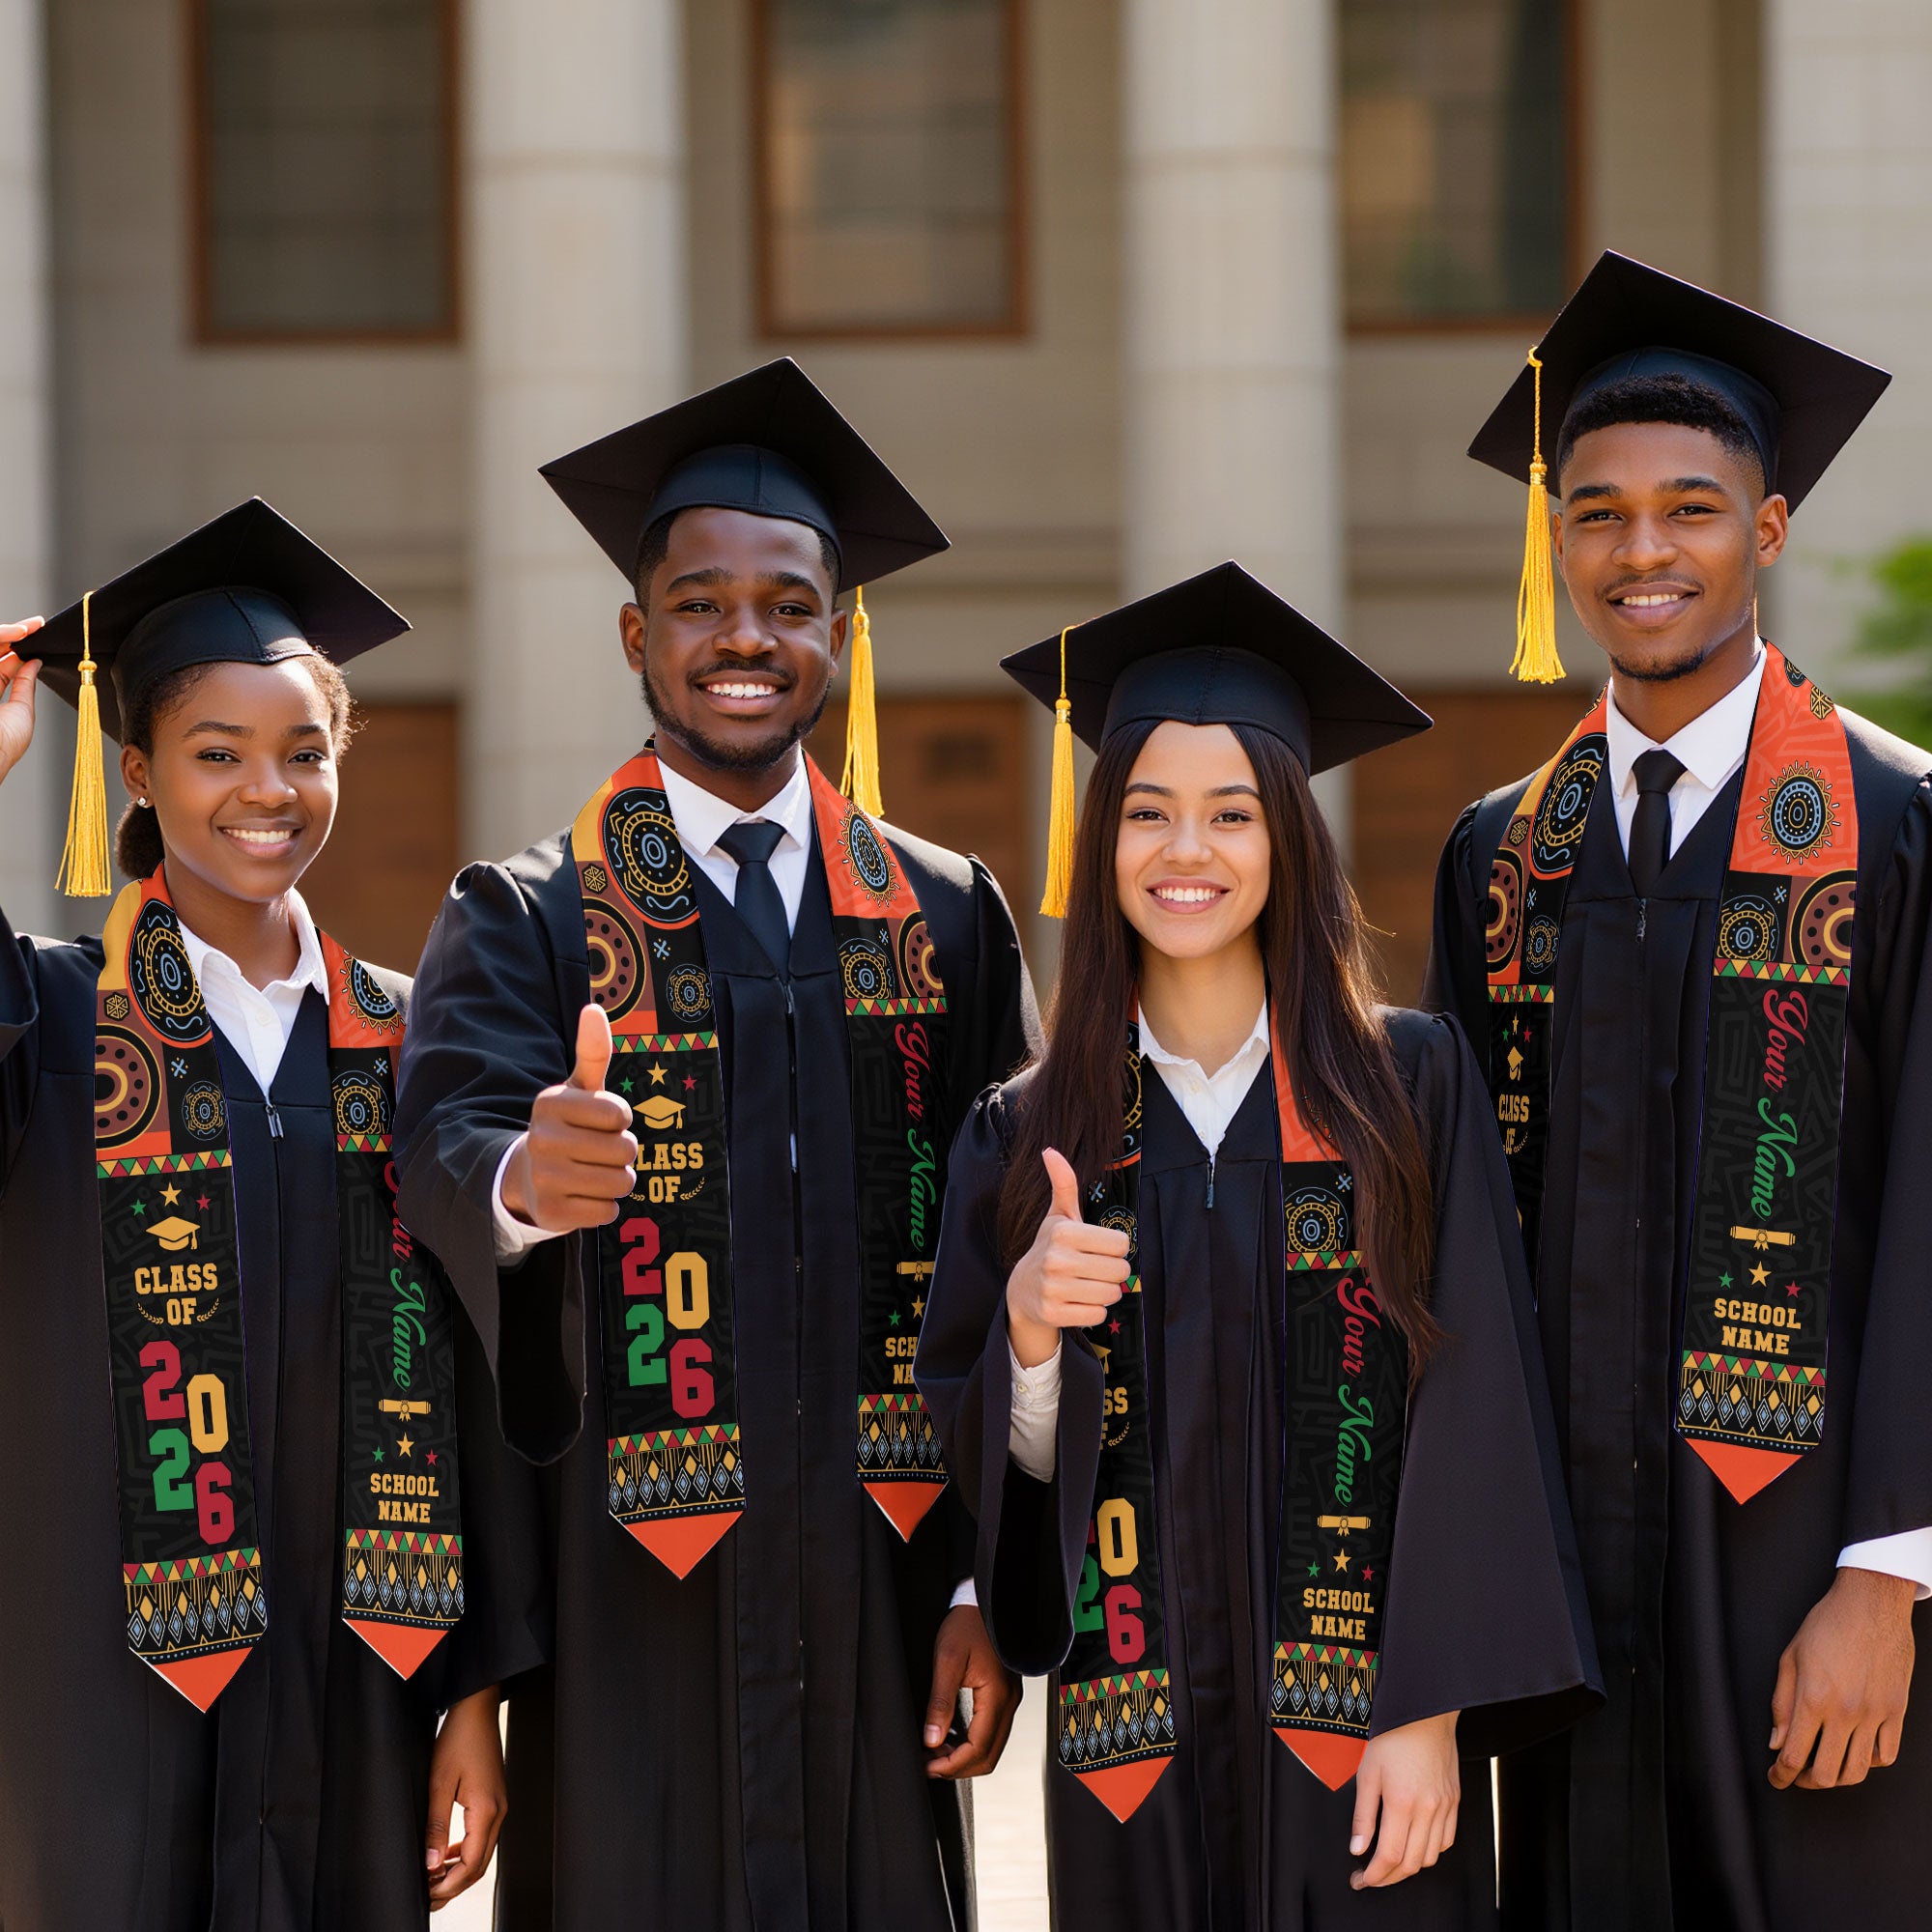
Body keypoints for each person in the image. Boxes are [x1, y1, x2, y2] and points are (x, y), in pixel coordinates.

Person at [392, 358, 1039, 1929]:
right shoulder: (530, 915)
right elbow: (439, 1149)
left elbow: (1012, 1252)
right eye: (698, 603)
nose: (744, 638)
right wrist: (522, 1183)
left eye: (788, 603)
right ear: (638, 634)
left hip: (882, 1584)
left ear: (840, 633)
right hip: (631, 1603)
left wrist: (979, 1588)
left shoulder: (942, 914)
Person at [917, 562, 1599, 1930]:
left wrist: (1429, 1706)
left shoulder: (1409, 1090)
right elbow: (989, 1471)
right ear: (1100, 842)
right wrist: (1033, 1342)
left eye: (1231, 814)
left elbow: (1478, 1404)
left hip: (1366, 1740)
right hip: (1133, 1748)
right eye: (1149, 814)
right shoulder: (1031, 1129)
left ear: (1288, 838)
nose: (1188, 853)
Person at [1426, 251, 1932, 1931]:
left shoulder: (1897, 823)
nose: (1643, 551)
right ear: (1555, 539)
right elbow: (1454, 1240)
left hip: (1808, 1560)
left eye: (1692, 508)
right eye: (1598, 511)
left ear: (1768, 531)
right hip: (1568, 1566)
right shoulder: (1503, 855)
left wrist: (1891, 1571)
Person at [0, 498, 545, 1931]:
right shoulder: (55, 1021)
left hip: (358, 1670)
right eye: (217, 754)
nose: (268, 790)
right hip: (94, 1683)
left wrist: (476, 1699)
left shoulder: (412, 1043)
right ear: (135, 770)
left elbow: (479, 1382)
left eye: (305, 753)